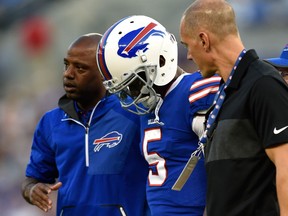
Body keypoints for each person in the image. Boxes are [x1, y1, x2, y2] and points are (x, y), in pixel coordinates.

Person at [96, 15, 221, 216]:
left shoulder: (195, 92)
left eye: (134, 84)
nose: (132, 94)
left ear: (160, 60)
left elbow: (224, 166)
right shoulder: (150, 106)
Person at [21, 33, 149, 216]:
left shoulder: (135, 112)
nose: (68, 74)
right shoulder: (50, 123)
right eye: (67, 65)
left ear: (105, 73)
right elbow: (31, 179)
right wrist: (32, 190)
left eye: (80, 68)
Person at [180, 0, 288, 215]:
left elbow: (286, 167)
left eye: (187, 45)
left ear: (203, 40)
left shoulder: (263, 84)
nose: (189, 55)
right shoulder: (226, 91)